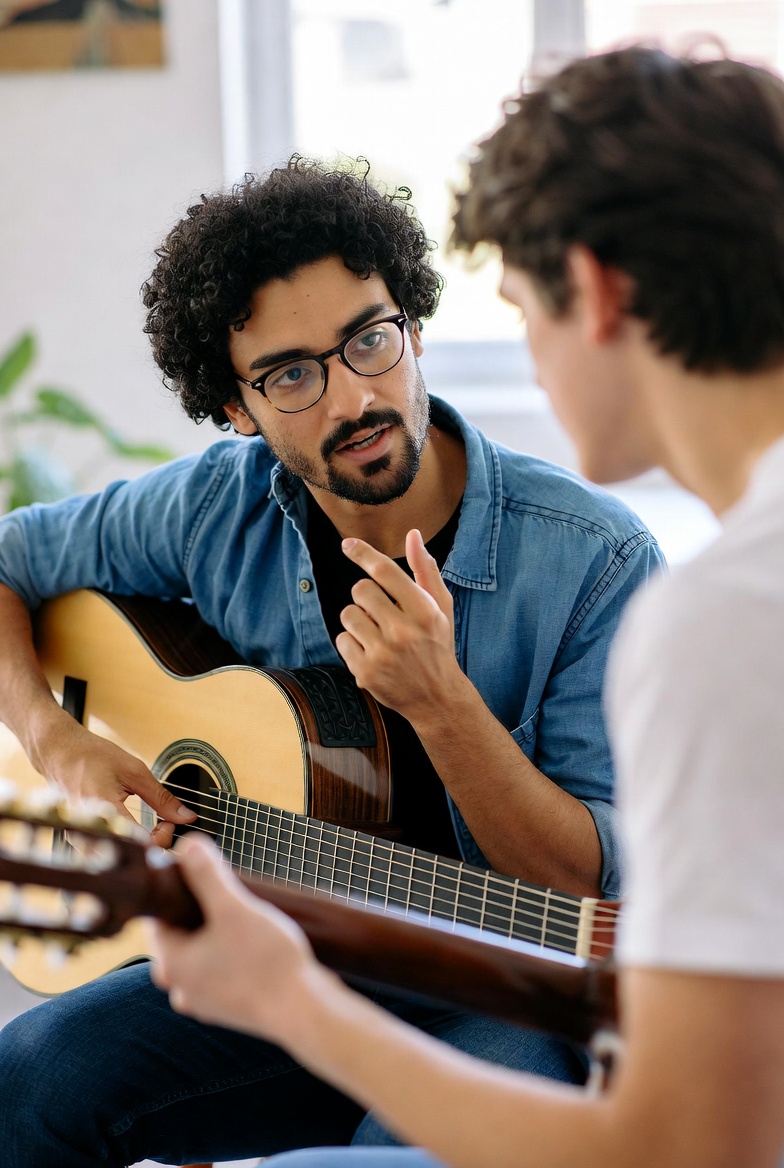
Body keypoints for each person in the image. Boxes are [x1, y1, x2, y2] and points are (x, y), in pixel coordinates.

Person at [147, 47, 784, 1168]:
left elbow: (684, 1143)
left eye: (521, 310)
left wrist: (293, 1003)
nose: (531, 363)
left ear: (591, 289)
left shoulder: (716, 619)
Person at [0, 159, 661, 1166]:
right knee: (28, 1082)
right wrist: (52, 737)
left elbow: (581, 884)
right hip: (275, 951)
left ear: (414, 325)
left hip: (502, 984)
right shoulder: (211, 507)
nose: (355, 395)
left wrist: (443, 706)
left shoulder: (592, 559)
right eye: (293, 375)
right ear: (236, 408)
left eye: (370, 338)